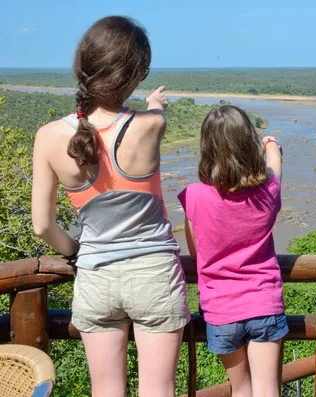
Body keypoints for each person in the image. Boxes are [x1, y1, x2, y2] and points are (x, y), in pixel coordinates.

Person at [31, 16, 190, 397]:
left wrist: (76, 250)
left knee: (105, 391)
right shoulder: (151, 125)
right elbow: (154, 117)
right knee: (158, 390)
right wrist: (155, 104)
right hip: (154, 275)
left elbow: (42, 226)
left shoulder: (49, 136)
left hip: (95, 277)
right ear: (134, 75)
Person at [178, 105, 287, 397]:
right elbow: (275, 166)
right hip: (264, 301)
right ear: (248, 142)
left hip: (221, 308)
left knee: (240, 389)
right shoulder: (268, 191)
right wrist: (271, 145)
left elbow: (196, 254)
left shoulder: (194, 196)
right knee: (267, 388)